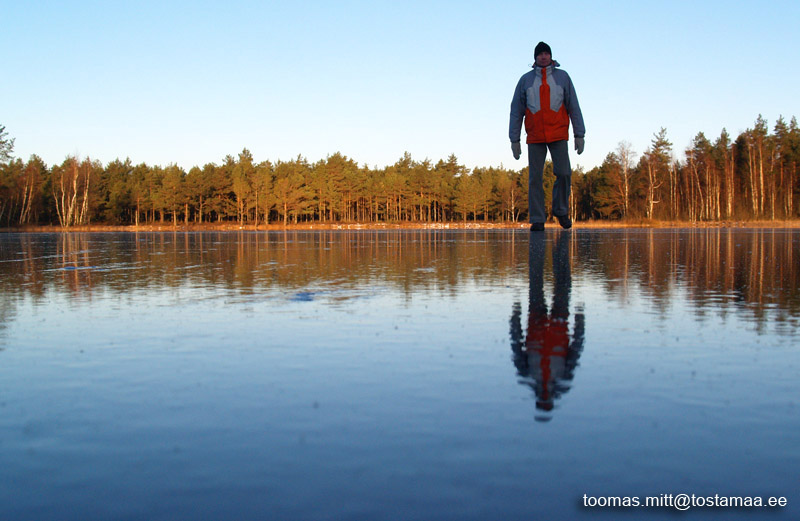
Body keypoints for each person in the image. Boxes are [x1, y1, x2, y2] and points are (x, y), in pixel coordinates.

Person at [509, 41, 585, 231]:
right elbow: (516, 111)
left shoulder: (563, 77)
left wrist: (579, 134)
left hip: (558, 134)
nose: (543, 56)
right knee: (535, 177)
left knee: (564, 173)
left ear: (551, 56)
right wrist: (514, 139)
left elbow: (573, 105)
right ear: (535, 58)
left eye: (546, 53)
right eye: (540, 54)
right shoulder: (525, 80)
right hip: (535, 137)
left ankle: (561, 211)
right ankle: (537, 218)